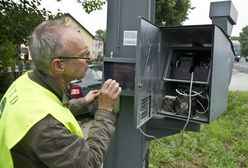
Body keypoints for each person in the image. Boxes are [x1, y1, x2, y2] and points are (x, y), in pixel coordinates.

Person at [0, 20, 122, 168]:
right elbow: (89, 163)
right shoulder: (47, 128)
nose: (90, 59)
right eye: (85, 55)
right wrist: (105, 110)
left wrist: (83, 102)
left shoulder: (25, 82)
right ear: (58, 65)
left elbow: (51, 110)